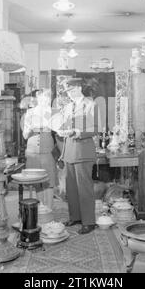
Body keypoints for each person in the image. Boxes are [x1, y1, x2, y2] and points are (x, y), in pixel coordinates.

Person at [52, 78, 99, 234]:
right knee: (71, 188)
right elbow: (64, 125)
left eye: (72, 90)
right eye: (68, 92)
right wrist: (60, 130)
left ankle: (89, 222)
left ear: (79, 88)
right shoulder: (67, 107)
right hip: (69, 151)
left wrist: (78, 132)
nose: (70, 94)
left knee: (84, 188)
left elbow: (95, 129)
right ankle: (76, 217)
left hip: (83, 152)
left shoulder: (91, 105)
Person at [22, 88, 58, 210]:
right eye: (42, 97)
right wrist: (31, 128)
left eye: (47, 97)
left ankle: (49, 209)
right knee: (36, 180)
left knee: (49, 180)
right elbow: (25, 135)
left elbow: (58, 129)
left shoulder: (53, 112)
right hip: (32, 150)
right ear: (38, 98)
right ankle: (39, 209)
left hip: (48, 148)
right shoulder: (30, 112)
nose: (45, 100)